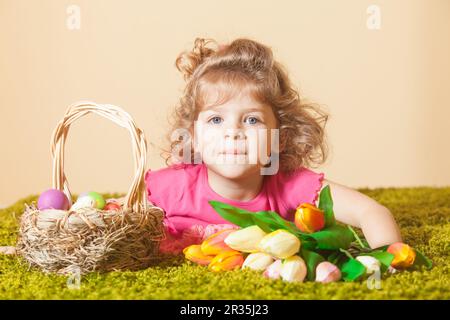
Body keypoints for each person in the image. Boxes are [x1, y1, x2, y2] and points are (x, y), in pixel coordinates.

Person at [145, 37, 402, 254]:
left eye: (252, 120)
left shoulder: (288, 184)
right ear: (194, 137)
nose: (233, 132)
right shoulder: (172, 187)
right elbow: (112, 215)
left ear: (279, 138)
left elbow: (370, 211)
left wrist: (388, 259)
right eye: (216, 119)